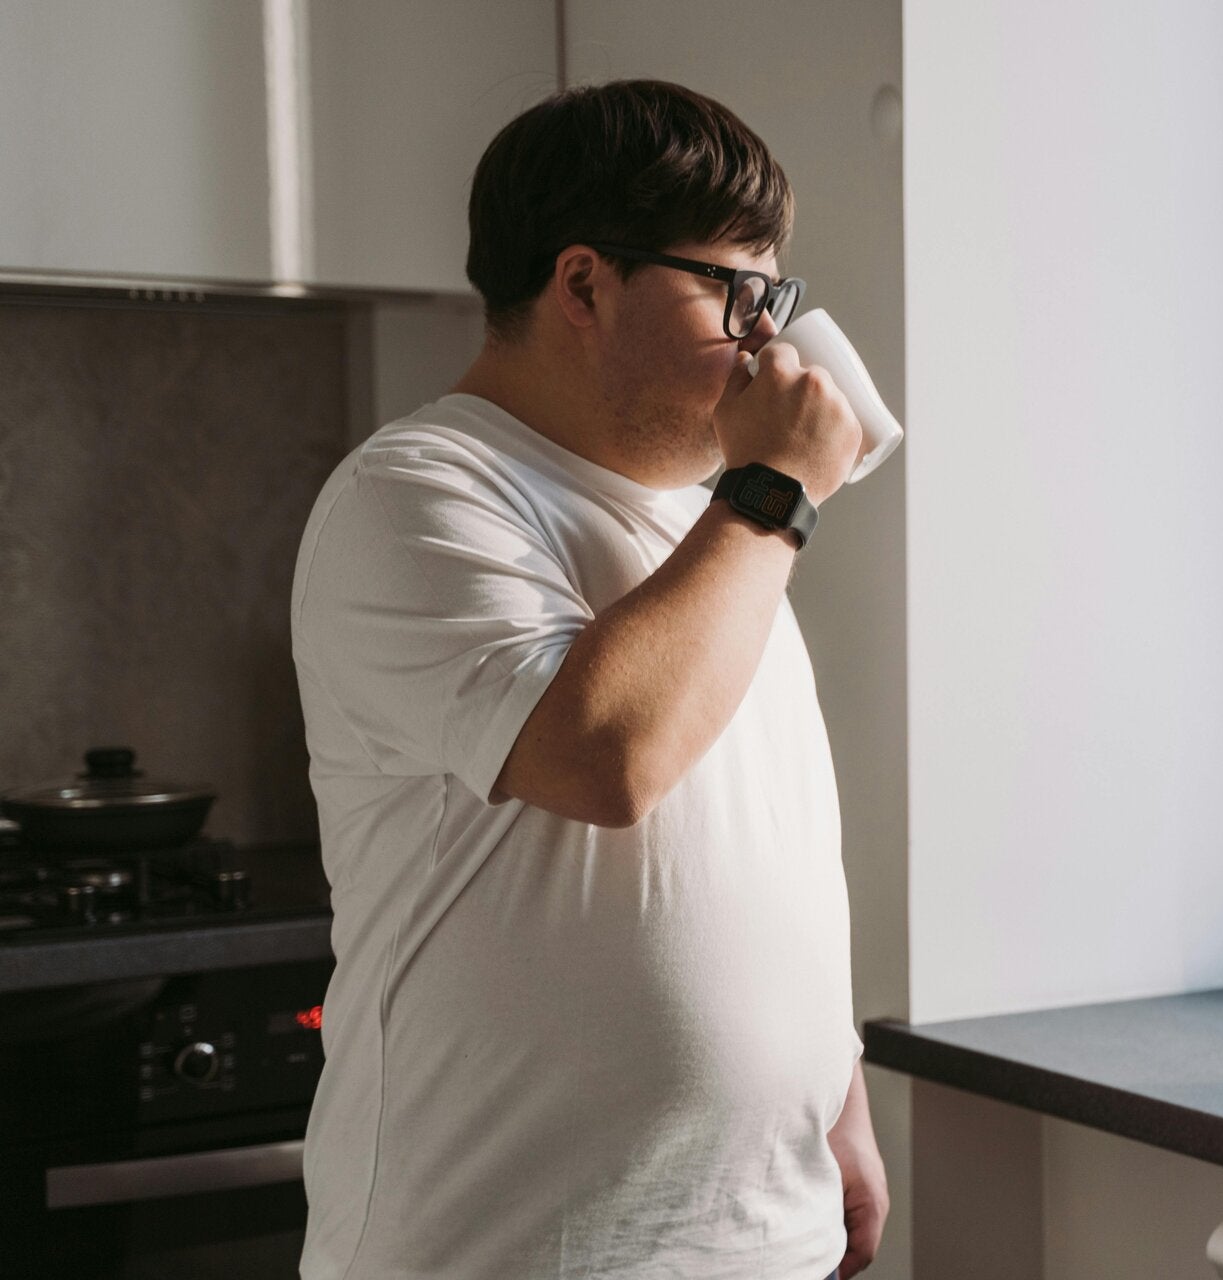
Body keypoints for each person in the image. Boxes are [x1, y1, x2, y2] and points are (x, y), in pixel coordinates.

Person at [289, 78, 885, 1280]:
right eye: (735, 292)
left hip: (768, 1236)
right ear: (582, 283)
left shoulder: (713, 527)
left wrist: (839, 1100)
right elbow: (608, 758)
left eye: (777, 296)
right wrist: (776, 496)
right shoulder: (415, 493)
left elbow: (767, 846)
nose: (767, 338)